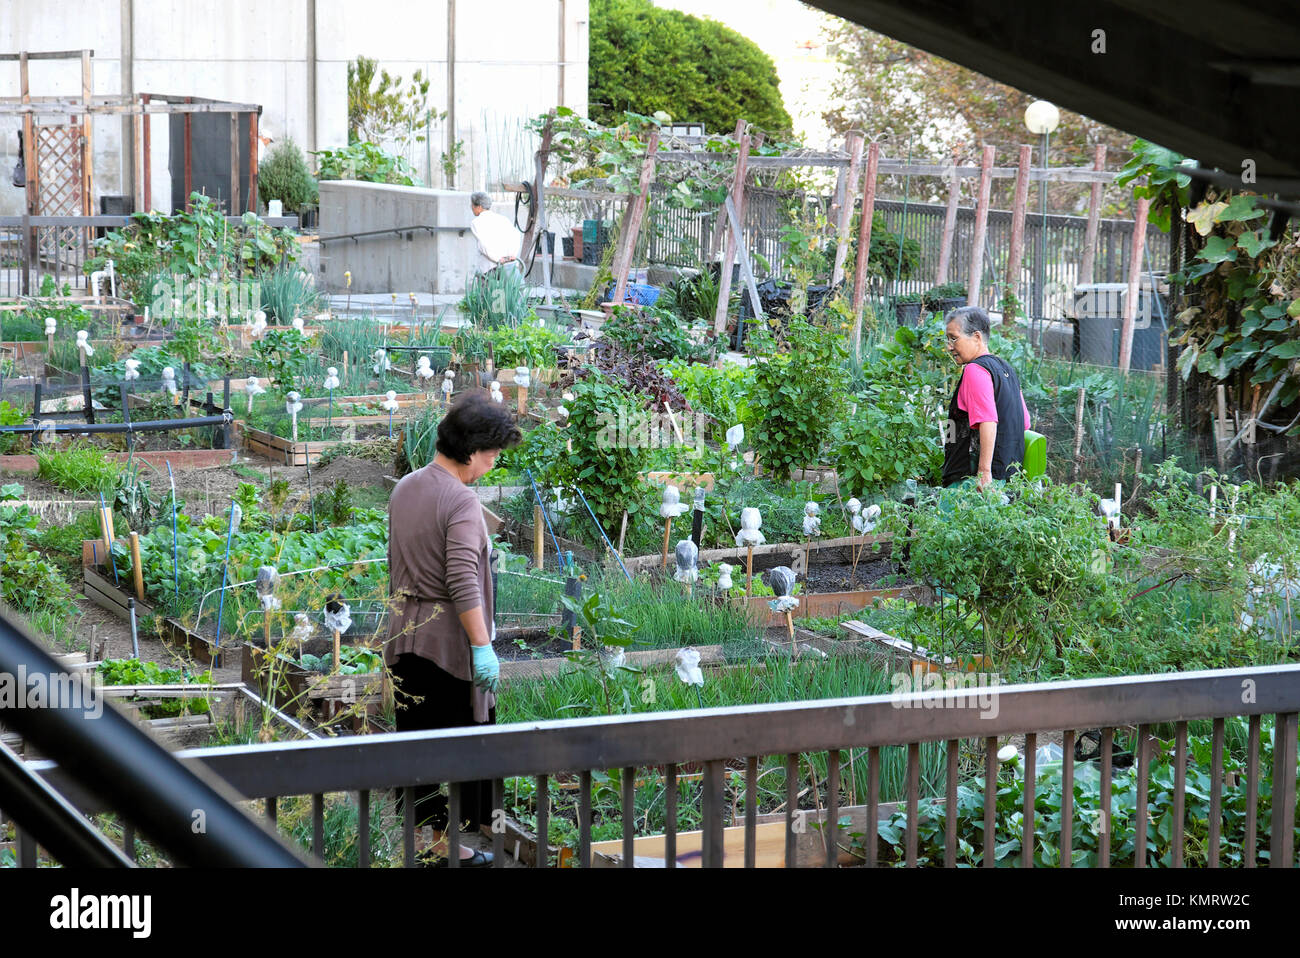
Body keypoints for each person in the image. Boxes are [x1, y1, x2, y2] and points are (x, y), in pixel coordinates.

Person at [384, 389, 521, 867]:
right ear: (470, 450)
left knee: (416, 741)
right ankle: (447, 847)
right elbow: (462, 579)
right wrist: (482, 647)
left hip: (402, 637)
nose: (492, 464)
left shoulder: (406, 487)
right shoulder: (461, 501)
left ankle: (426, 842)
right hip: (445, 646)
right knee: (459, 747)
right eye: (492, 455)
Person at [941, 306, 1032, 490]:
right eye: (948, 339)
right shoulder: (1006, 368)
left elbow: (988, 420)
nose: (950, 346)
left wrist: (984, 472)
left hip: (971, 478)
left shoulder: (975, 370)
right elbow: (1024, 422)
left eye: (954, 338)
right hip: (1006, 476)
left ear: (976, 337)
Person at [468, 191, 523, 275]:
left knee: (487, 287)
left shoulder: (476, 222)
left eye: (472, 205)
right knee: (510, 288)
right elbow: (516, 236)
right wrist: (511, 255)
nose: (471, 207)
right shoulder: (503, 219)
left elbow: (484, 245)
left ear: (479, 207)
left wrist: (498, 259)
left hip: (490, 267)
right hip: (510, 265)